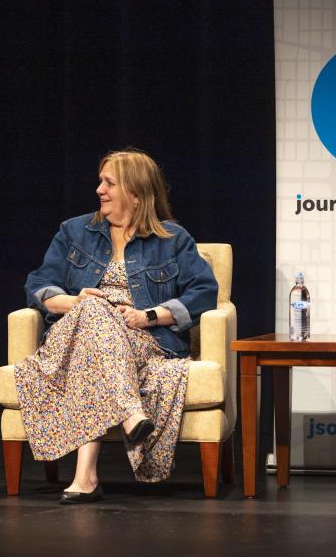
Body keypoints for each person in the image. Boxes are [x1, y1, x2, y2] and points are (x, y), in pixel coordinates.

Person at [15, 149, 218, 504]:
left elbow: (204, 293)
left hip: (143, 338)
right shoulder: (74, 232)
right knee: (93, 311)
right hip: (73, 330)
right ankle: (129, 412)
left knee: (92, 347)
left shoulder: (172, 239)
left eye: (109, 183)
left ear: (135, 192)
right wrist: (75, 302)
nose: (99, 190)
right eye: (100, 181)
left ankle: (86, 477)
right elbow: (39, 285)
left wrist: (149, 316)